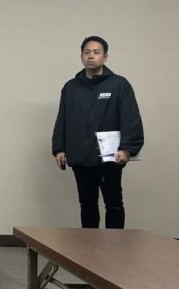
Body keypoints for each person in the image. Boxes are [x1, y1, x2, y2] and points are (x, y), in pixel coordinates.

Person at [52, 36, 144, 229]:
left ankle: (115, 245)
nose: (91, 56)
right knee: (87, 205)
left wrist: (127, 148)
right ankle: (89, 246)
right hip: (81, 156)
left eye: (96, 52)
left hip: (110, 157)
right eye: (87, 52)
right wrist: (59, 148)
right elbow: (62, 119)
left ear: (105, 57)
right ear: (81, 56)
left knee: (114, 204)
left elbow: (130, 117)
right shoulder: (71, 87)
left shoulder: (119, 85)